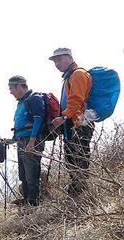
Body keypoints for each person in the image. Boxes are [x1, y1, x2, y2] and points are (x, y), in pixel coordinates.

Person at [49, 48, 94, 197]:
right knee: (72, 161)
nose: (56, 63)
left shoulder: (78, 74)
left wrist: (64, 117)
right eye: (55, 60)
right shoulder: (68, 77)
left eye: (59, 59)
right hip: (73, 124)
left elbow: (76, 99)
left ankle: (81, 197)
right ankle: (77, 196)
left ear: (69, 57)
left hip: (79, 124)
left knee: (79, 160)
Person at [8, 75, 46, 206]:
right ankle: (26, 201)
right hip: (21, 140)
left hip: (31, 141)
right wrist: (13, 139)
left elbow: (38, 119)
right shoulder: (21, 102)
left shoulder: (34, 98)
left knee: (31, 175)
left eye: (11, 88)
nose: (10, 92)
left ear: (19, 86)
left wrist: (32, 140)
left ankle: (33, 204)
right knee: (23, 174)